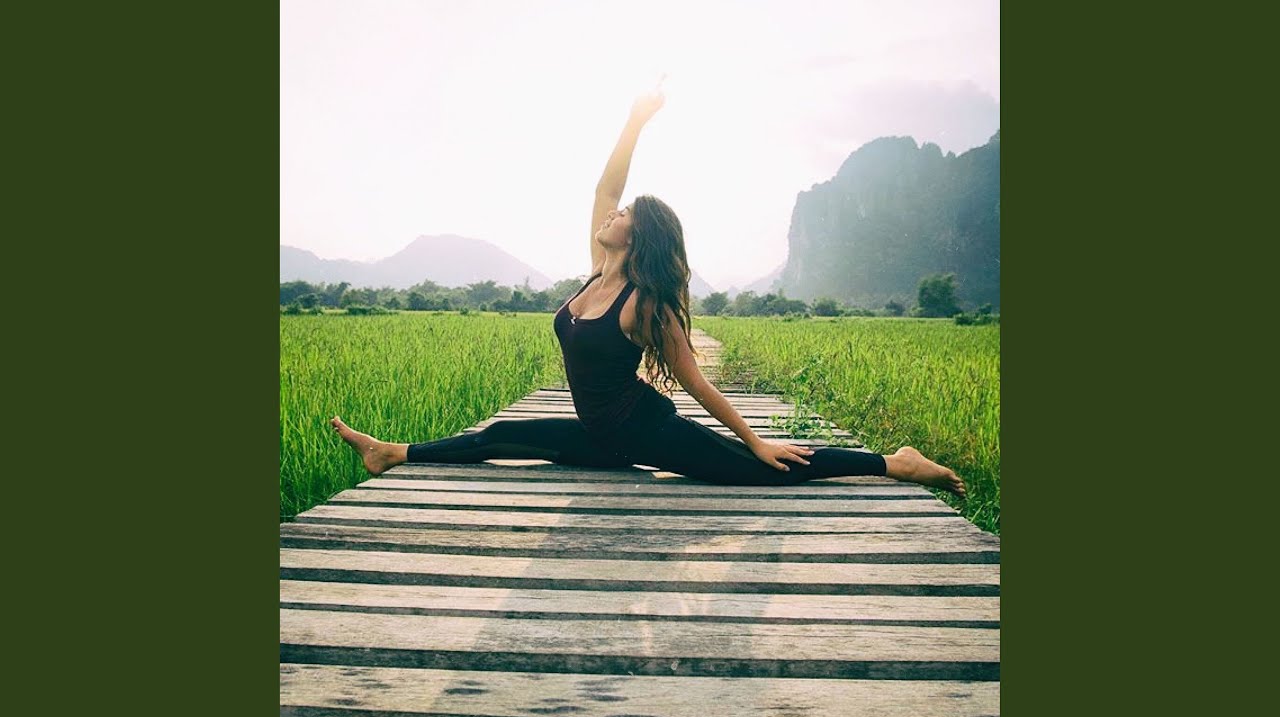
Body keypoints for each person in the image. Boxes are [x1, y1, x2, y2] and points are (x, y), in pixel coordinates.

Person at [332, 80, 964, 496]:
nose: (612, 213)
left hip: (647, 432)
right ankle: (391, 452)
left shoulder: (644, 304)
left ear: (639, 238)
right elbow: (604, 188)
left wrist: (754, 438)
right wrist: (635, 120)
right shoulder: (596, 270)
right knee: (496, 439)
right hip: (599, 437)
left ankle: (896, 462)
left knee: (763, 470)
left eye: (625, 214)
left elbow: (694, 381)